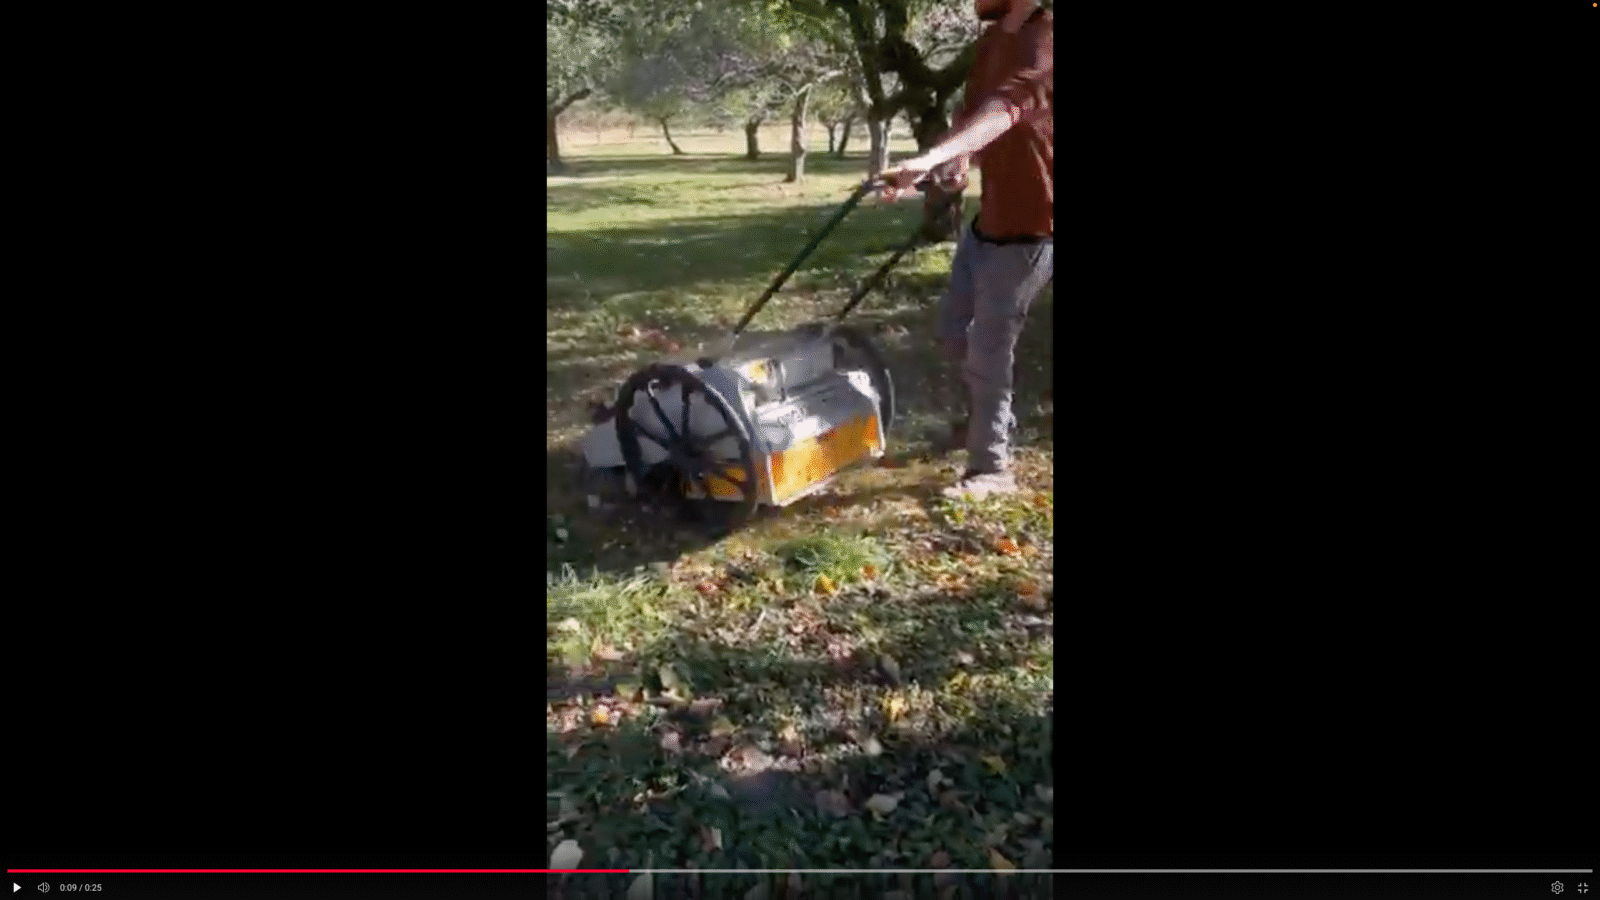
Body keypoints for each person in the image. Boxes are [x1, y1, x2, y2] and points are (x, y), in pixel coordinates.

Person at [879, 0, 1053, 500]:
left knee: (989, 347)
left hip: (1032, 229)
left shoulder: (1044, 41)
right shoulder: (993, 39)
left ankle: (991, 467)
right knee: (955, 331)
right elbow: (973, 115)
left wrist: (934, 155)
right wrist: (957, 162)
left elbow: (1005, 112)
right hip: (989, 224)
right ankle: (981, 422)